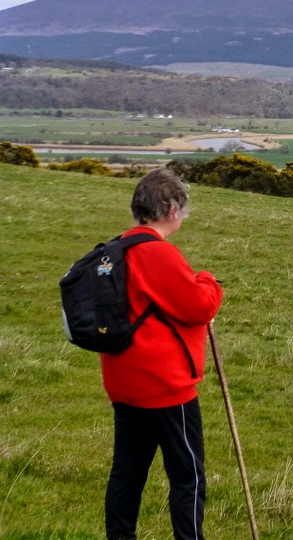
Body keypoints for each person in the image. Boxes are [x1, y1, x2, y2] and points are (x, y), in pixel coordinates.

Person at [101, 167, 223, 540]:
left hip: (124, 382)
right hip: (166, 387)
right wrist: (207, 279)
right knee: (187, 474)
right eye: (182, 209)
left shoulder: (114, 250)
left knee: (127, 473)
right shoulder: (158, 254)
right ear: (171, 209)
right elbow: (199, 306)